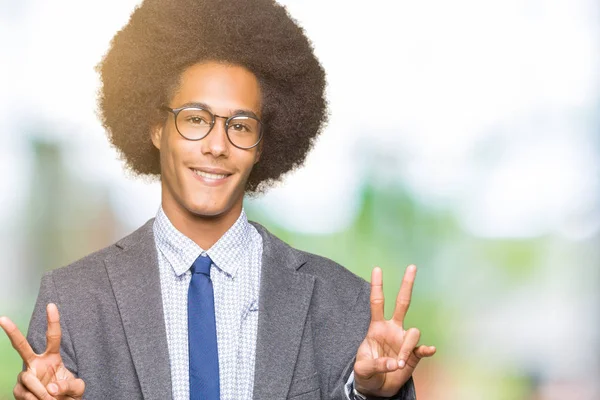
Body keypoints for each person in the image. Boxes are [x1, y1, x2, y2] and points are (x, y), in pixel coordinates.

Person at [0, 0, 436, 399]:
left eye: (241, 126)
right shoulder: (73, 300)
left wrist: (372, 395)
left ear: (262, 146)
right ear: (157, 129)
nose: (217, 145)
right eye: (195, 119)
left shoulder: (342, 302)